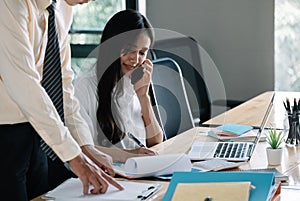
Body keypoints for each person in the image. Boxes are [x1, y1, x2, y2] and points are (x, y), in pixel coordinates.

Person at [0, 1, 123, 200]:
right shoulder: (10, 4)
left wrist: (85, 147)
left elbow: (62, 83)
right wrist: (74, 156)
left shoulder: (62, 8)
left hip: (37, 131)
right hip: (5, 133)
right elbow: (23, 83)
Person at [74, 9, 163, 162]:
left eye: (142, 53)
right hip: (108, 174)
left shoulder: (134, 83)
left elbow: (155, 141)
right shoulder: (85, 87)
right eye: (129, 50)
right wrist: (130, 155)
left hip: (138, 171)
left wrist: (143, 97)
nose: (135, 59)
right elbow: (83, 149)